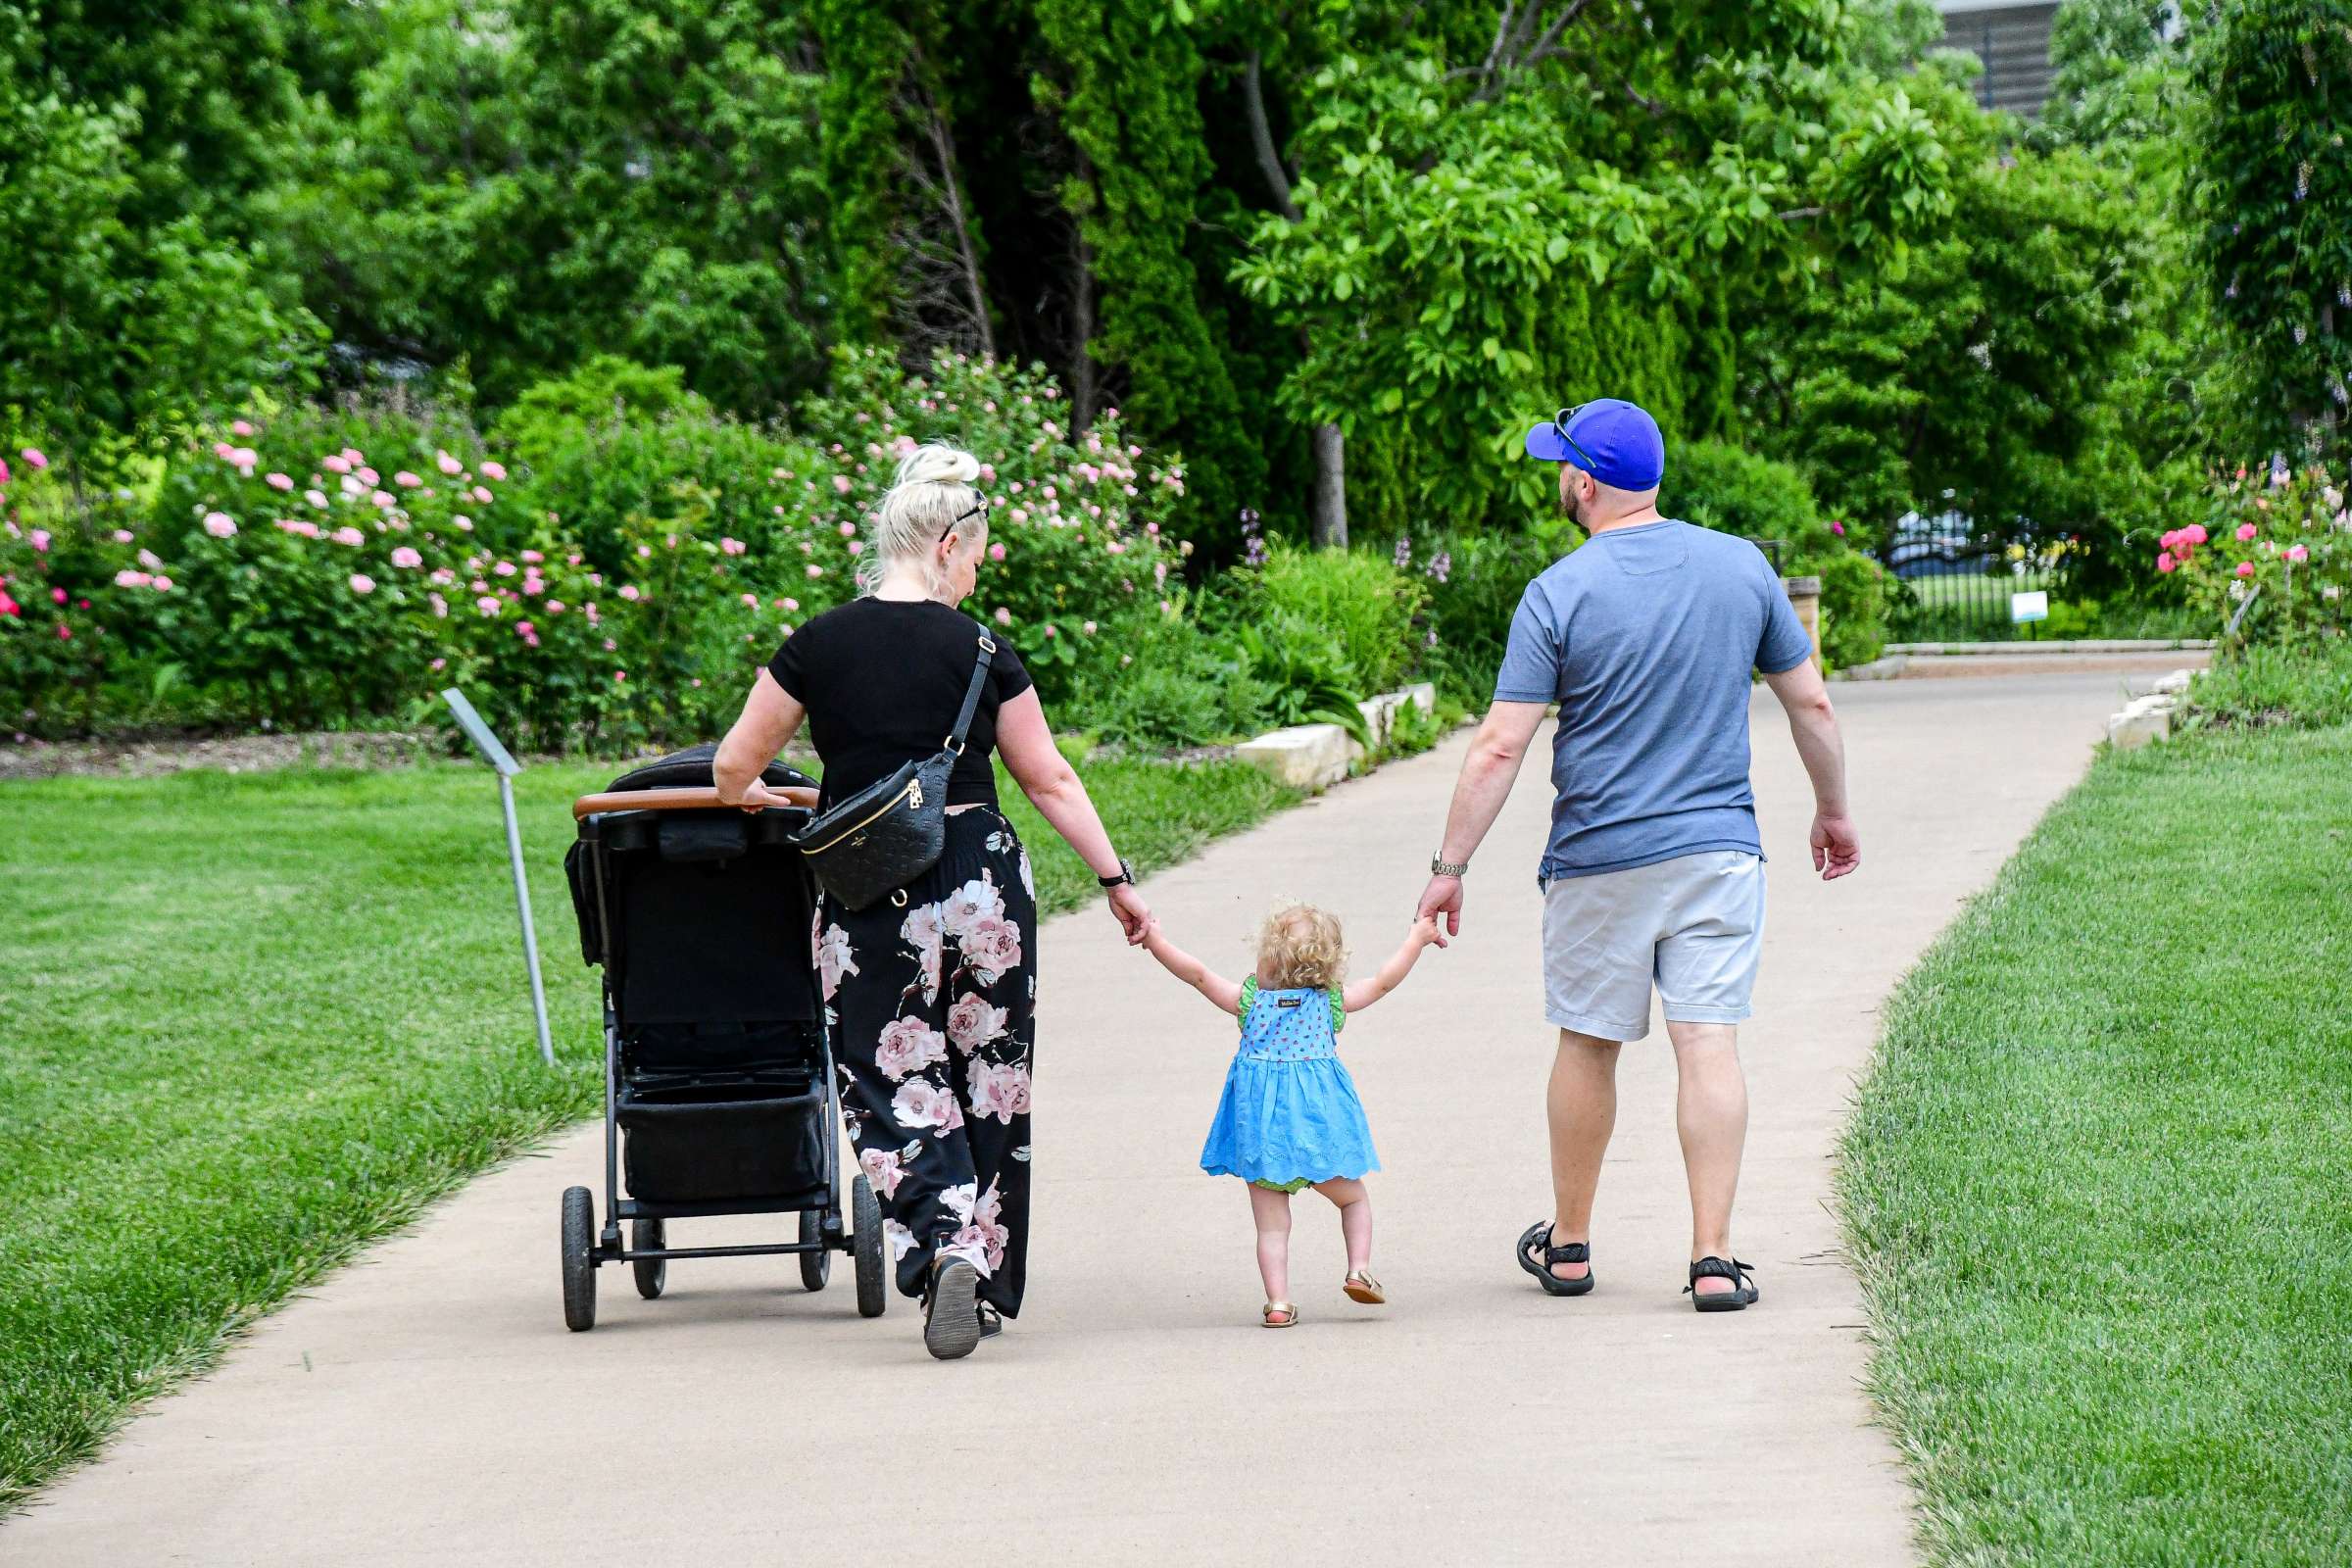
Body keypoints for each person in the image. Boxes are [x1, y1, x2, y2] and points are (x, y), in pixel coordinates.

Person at [1413, 398, 1860, 1314]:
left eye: (1560, 467)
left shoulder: (1559, 591)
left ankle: (1570, 1246)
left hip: (1597, 858)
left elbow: (1501, 745)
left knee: (1589, 1042)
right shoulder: (1743, 569)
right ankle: (1712, 1257)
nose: (1558, 481)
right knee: (1708, 1041)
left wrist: (1449, 868)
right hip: (1717, 853)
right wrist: (1832, 812)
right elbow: (1810, 705)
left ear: (1584, 480)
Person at [712, 442, 1152, 1360]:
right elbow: (1051, 779)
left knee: (885, 1071)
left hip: (872, 888)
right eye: (979, 551)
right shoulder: (985, 649)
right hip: (982, 876)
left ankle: (943, 1244)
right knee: (989, 1073)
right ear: (948, 542)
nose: (979, 568)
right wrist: (1116, 883)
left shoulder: (818, 643)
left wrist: (785, 801)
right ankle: (979, 1273)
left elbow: (731, 770)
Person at [1141, 903, 1445, 1328]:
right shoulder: (1329, 1004)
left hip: (1264, 1138)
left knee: (1271, 1227)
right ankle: (1359, 1268)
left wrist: (1154, 938)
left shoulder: (1249, 1003)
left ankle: (1278, 1303)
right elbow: (1382, 983)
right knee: (1353, 1197)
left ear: (1267, 960)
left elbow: (1196, 974)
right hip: (1317, 1136)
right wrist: (1416, 938)